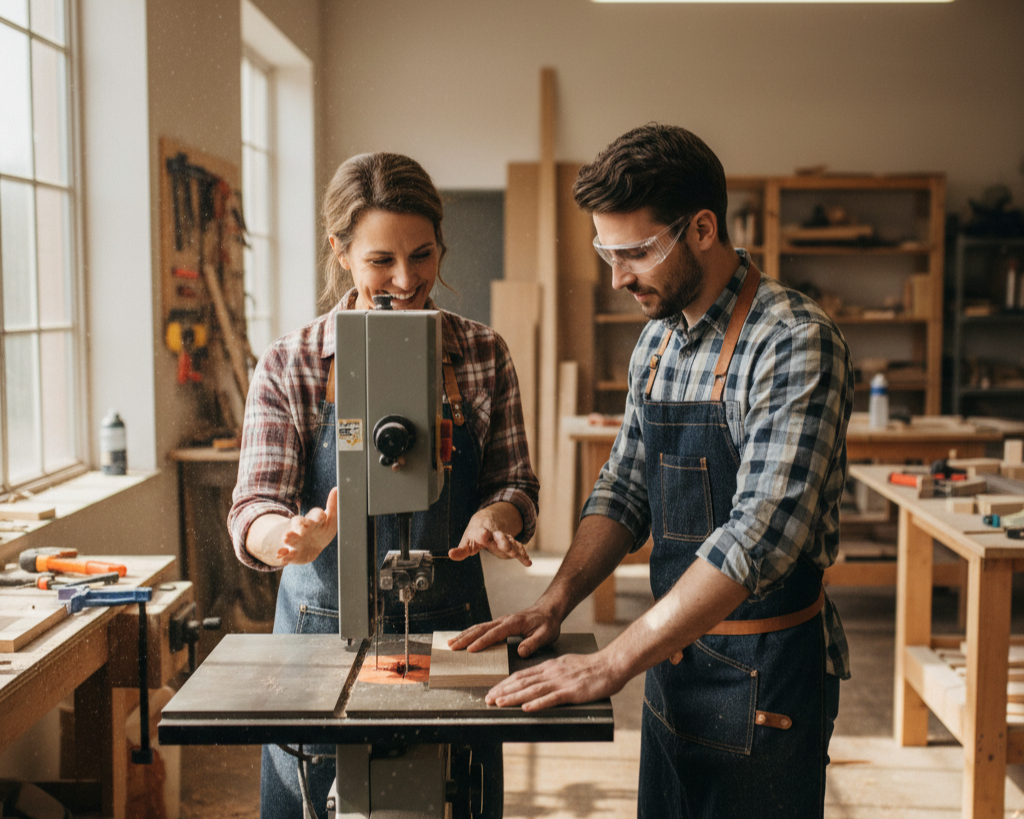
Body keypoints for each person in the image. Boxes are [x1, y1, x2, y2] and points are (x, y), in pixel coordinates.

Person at [450, 124, 854, 818]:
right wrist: (555, 601)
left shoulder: (792, 340)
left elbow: (758, 536)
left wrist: (610, 662)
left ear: (702, 227)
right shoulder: (658, 342)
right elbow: (625, 487)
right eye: (607, 252)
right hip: (671, 664)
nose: (617, 277)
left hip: (764, 679)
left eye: (637, 251)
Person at [228, 152, 539, 819]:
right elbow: (253, 504)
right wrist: (289, 536)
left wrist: (497, 516)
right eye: (381, 262)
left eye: (423, 256)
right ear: (340, 251)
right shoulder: (293, 363)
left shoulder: (483, 354)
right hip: (319, 634)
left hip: (454, 636)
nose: (407, 280)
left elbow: (514, 481)